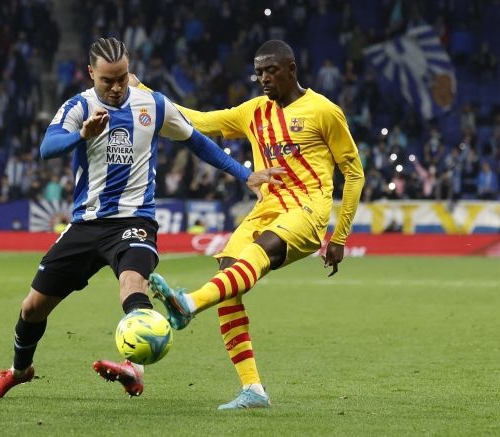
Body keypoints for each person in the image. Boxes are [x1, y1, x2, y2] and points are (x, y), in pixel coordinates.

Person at [0, 37, 280, 400]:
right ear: (91, 74)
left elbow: (196, 140)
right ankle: (19, 371)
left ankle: (134, 367)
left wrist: (244, 174)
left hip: (134, 221)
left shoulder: (152, 104)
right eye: (107, 80)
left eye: (122, 77)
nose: (117, 87)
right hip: (86, 223)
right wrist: (82, 135)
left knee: (132, 284)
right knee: (32, 308)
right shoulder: (79, 106)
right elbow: (47, 148)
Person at [140, 40, 365, 409]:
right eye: (259, 72)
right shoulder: (254, 111)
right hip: (267, 208)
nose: (263, 78)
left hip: (307, 209)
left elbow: (354, 174)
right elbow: (198, 120)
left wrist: (340, 235)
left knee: (258, 255)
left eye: (271, 70)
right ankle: (253, 390)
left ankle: (188, 303)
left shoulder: (324, 111)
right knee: (228, 279)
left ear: (291, 69)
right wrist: (143, 92)